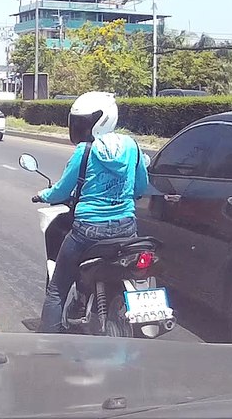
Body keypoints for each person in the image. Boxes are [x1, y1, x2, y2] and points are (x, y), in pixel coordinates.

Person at [34, 91, 149, 334]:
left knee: (57, 290)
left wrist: (43, 195)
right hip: (126, 228)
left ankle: (46, 345)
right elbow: (141, 186)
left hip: (87, 231)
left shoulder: (84, 151)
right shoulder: (132, 146)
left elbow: (62, 189)